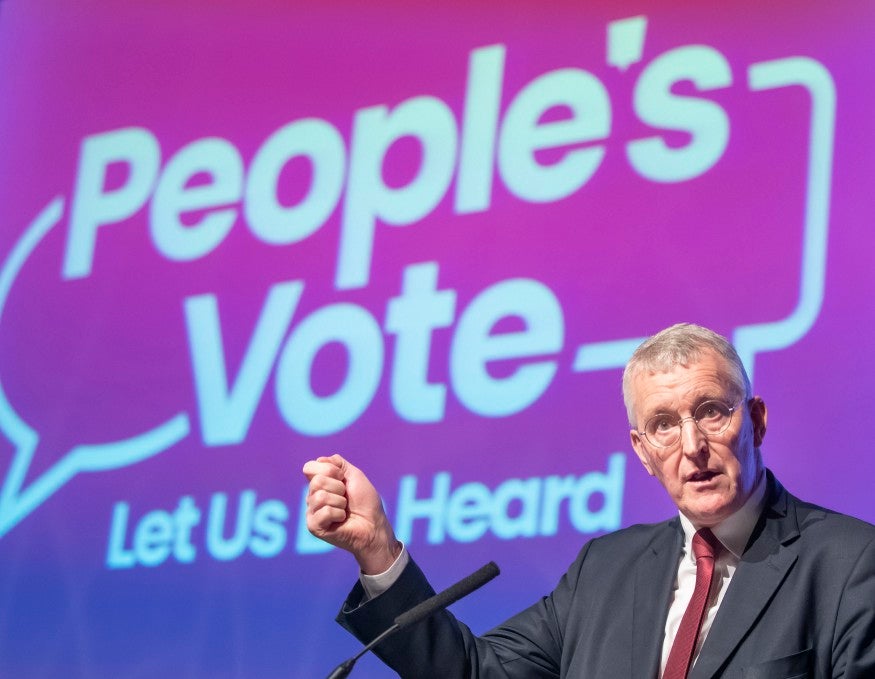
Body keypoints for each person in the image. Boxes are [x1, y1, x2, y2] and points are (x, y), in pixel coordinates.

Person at [302, 323, 875, 678]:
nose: (693, 446)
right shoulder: (605, 569)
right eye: (664, 425)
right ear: (642, 451)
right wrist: (377, 550)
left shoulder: (849, 564)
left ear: (754, 421)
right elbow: (474, 672)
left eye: (711, 412)